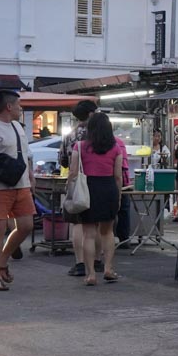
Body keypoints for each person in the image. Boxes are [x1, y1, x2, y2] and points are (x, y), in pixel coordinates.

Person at [68, 111, 127, 287]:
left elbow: (72, 172)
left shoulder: (79, 146)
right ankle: (108, 269)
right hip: (108, 188)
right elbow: (118, 176)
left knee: (89, 233)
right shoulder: (116, 148)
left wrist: (70, 190)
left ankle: (91, 274)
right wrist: (118, 196)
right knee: (107, 232)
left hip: (88, 189)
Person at [0, 89, 36, 289]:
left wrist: (30, 175)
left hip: (21, 185)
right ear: (8, 106)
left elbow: (26, 153)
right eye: (19, 105)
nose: (21, 109)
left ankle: (2, 261)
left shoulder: (18, 127)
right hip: (0, 187)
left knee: (26, 226)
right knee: (0, 228)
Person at [62, 100, 100, 277]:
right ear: (91, 114)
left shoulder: (69, 135)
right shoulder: (100, 134)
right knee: (97, 224)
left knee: (77, 223)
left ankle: (79, 263)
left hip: (77, 182)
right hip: (98, 181)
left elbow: (62, 159)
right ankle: (97, 261)